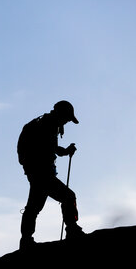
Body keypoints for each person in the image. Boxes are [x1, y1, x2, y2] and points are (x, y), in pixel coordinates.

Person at [17, 101, 85, 250]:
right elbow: (52, 149)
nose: (67, 121)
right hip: (43, 173)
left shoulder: (44, 123)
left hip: (36, 172)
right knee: (68, 197)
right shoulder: (49, 125)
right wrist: (66, 151)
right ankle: (72, 229)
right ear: (62, 114)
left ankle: (26, 240)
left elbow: (51, 148)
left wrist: (65, 151)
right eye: (67, 118)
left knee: (34, 207)